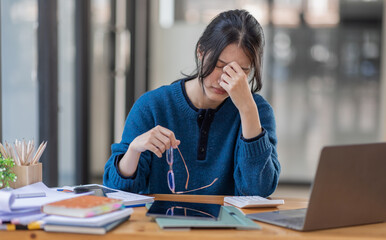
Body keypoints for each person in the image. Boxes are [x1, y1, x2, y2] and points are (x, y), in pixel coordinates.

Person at [103, 9, 280, 196]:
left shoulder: (257, 111)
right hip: (160, 224)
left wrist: (247, 110)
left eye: (239, 72)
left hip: (227, 224)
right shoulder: (152, 106)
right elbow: (115, 191)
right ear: (201, 52)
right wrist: (134, 150)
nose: (224, 80)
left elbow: (259, 192)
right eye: (219, 65)